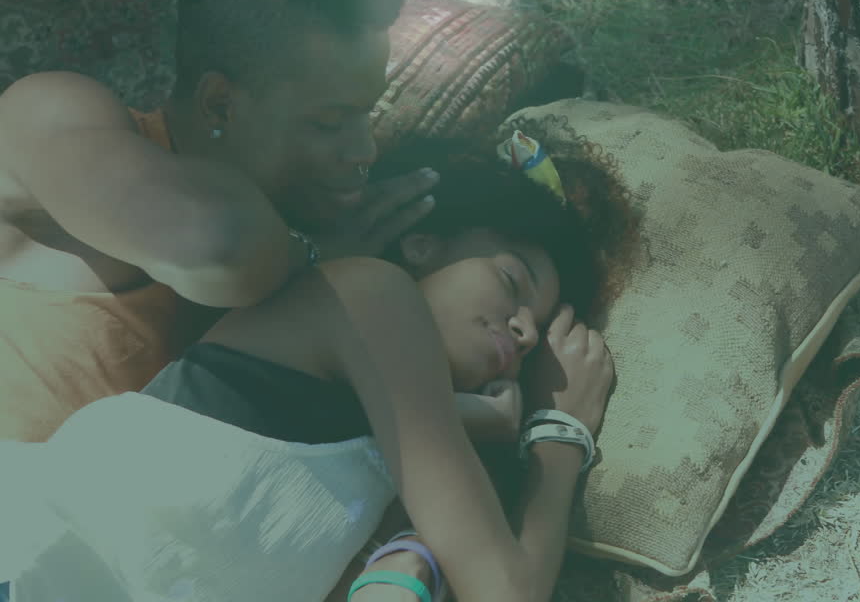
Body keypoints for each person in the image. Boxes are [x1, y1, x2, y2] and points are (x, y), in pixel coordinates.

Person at [1, 130, 637, 602]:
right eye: (510, 279)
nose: (524, 329)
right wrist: (561, 433)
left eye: (538, 324)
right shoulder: (367, 293)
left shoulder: (400, 461)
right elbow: (506, 593)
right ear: (422, 242)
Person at [0, 0, 438, 444]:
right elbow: (216, 241)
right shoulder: (52, 112)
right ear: (219, 104)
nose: (365, 151)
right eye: (329, 122)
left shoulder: (293, 232)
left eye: (367, 115)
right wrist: (315, 255)